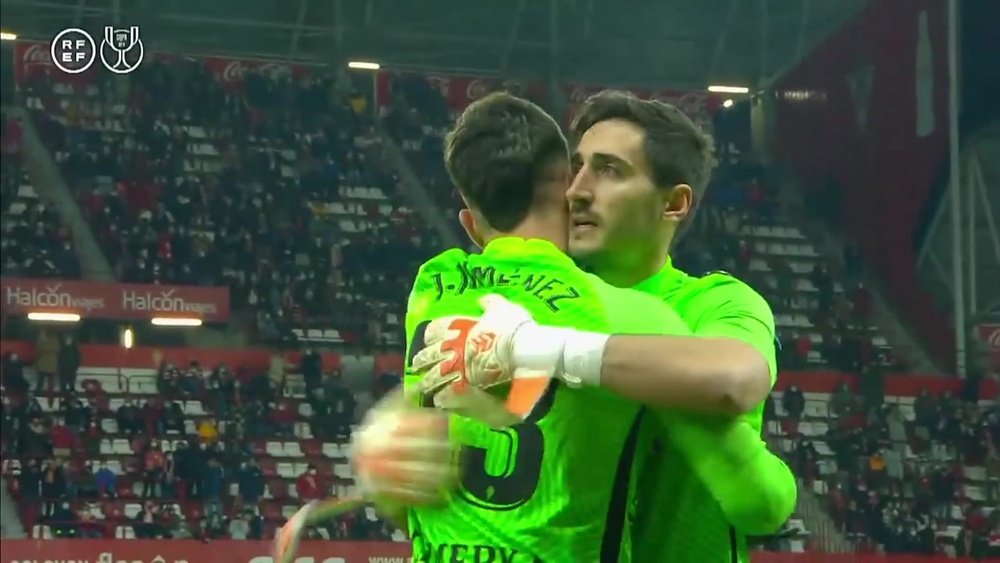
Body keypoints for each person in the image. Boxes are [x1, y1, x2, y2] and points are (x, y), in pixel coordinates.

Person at [392, 92, 790, 561]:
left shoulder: (712, 303)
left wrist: (539, 348)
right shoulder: (534, 301)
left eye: (608, 170)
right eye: (575, 168)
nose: (578, 190)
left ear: (673, 203)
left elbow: (733, 380)